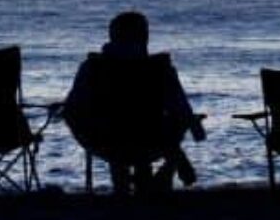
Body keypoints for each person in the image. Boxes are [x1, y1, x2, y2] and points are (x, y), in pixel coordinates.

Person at [62, 11, 206, 193]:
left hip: (105, 141)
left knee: (114, 130)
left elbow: (72, 108)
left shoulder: (93, 67)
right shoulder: (159, 68)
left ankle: (125, 186)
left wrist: (83, 130)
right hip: (152, 139)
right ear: (144, 37)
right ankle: (170, 164)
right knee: (162, 124)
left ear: (112, 36)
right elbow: (180, 107)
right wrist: (193, 125)